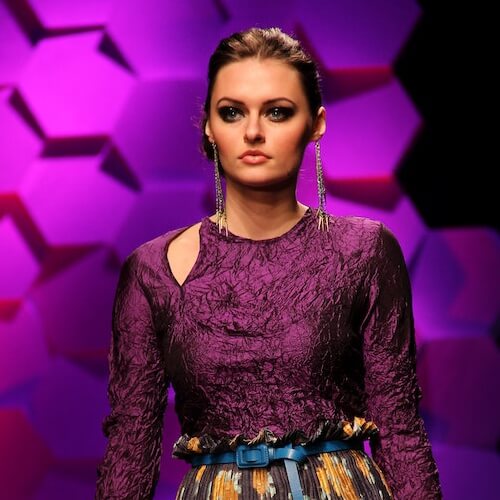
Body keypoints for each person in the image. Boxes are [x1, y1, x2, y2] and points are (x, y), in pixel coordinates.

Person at [95, 27, 443, 499]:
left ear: (316, 123)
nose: (253, 132)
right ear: (208, 126)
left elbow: (399, 431)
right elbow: (130, 447)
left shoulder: (365, 251)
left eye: (277, 112)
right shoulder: (153, 270)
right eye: (232, 112)